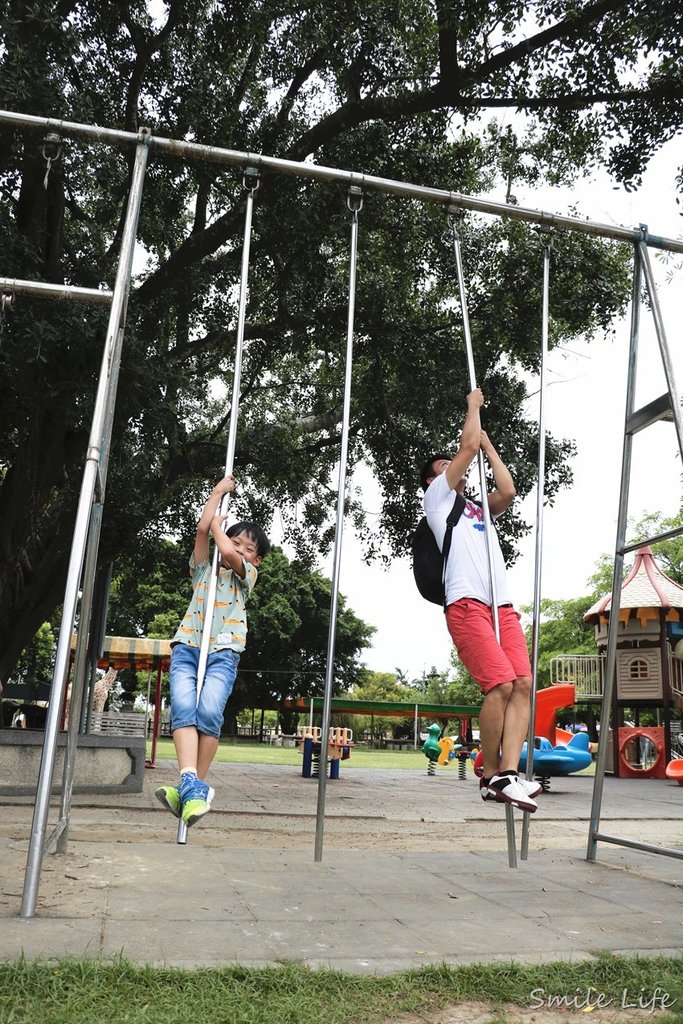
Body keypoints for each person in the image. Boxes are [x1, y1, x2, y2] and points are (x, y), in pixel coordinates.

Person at [419, 388, 540, 812]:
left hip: (500, 606)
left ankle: (509, 772)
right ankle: (489, 774)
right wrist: (472, 408)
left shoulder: (477, 508)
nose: (459, 471)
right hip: (467, 604)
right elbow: (465, 448)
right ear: (433, 480)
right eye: (446, 468)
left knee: (524, 684)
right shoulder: (436, 502)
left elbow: (507, 490)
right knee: (500, 684)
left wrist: (488, 443)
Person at [155, 474, 270, 827]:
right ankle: (192, 783)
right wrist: (219, 493)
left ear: (256, 560)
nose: (239, 549)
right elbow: (204, 530)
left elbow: (224, 547)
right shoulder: (202, 570)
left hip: (224, 650)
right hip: (188, 645)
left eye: (247, 548)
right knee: (184, 708)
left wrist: (223, 534)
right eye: (236, 541)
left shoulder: (245, 575)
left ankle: (191, 784)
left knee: (208, 712)